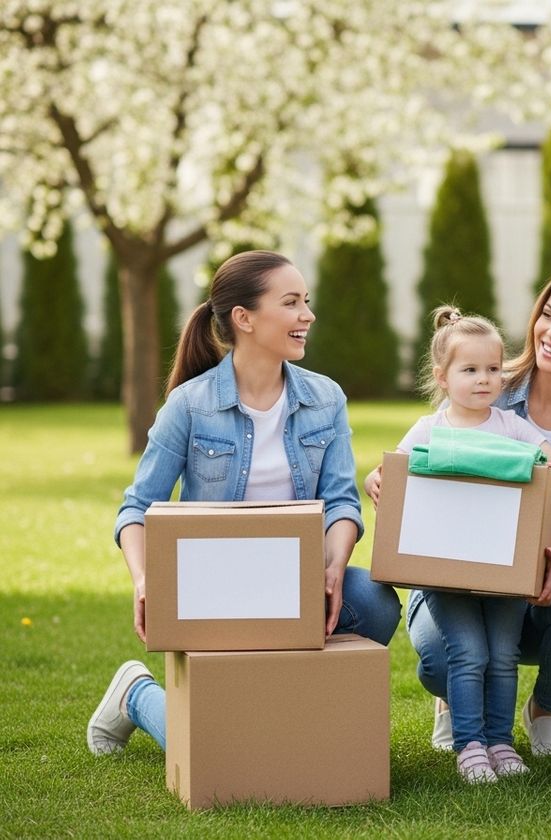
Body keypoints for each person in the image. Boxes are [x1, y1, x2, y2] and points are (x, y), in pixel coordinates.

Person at [86, 250, 401, 757]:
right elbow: (137, 509)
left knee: (372, 599)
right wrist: (147, 582)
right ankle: (138, 696)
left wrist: (334, 565)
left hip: (295, 582)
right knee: (230, 752)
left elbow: (343, 500)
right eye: (292, 302)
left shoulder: (326, 398)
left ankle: (275, 718)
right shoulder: (190, 404)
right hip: (214, 587)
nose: (308, 315)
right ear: (244, 318)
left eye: (307, 302)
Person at [366, 265, 551, 759]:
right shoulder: (484, 382)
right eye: (549, 315)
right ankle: (456, 705)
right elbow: (409, 468)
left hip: (535, 578)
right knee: (451, 657)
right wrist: (386, 480)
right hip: (450, 576)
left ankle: (543, 710)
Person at [390, 305, 551, 783]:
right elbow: (395, 475)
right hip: (447, 577)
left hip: (504, 571)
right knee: (468, 653)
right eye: (470, 370)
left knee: (501, 654)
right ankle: (470, 746)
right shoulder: (429, 431)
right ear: (442, 376)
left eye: (494, 369)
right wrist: (380, 477)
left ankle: (501, 742)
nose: (485, 379)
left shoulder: (511, 428)